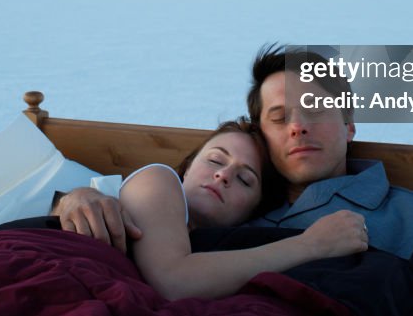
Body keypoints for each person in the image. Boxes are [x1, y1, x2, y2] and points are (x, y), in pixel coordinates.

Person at [55, 45, 413, 287]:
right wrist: (78, 198)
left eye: (315, 110)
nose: (297, 128)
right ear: (262, 134)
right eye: (279, 118)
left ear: (348, 125)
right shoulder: (238, 203)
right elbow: (157, 224)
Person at [119, 118, 369, 300]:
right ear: (186, 168)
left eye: (245, 179)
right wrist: (312, 244)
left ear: (252, 212)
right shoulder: (158, 179)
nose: (223, 174)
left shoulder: (228, 256)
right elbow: (173, 281)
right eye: (215, 159)